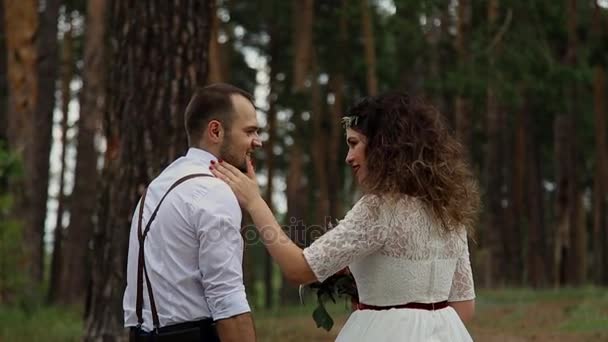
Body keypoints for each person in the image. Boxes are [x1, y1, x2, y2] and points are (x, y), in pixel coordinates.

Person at [210, 91, 480, 341]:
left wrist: (255, 201)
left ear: (385, 147)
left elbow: (298, 269)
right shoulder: (448, 212)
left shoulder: (378, 208)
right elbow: (464, 305)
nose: (349, 157)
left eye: (354, 143)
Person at [123, 83, 262, 341]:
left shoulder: (159, 185)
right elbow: (228, 302)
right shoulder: (212, 192)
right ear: (216, 131)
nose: (258, 141)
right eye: (250, 131)